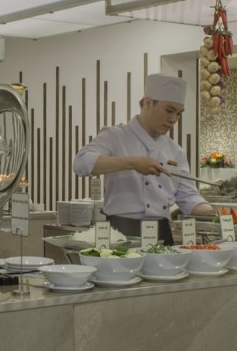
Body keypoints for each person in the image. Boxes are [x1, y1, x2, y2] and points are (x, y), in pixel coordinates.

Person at [73, 73, 215, 243]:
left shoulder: (175, 150)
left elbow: (188, 196)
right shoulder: (115, 135)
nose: (173, 119)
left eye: (179, 114)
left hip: (162, 232)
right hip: (122, 232)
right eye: (169, 110)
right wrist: (132, 163)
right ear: (147, 103)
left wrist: (214, 212)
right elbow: (80, 163)